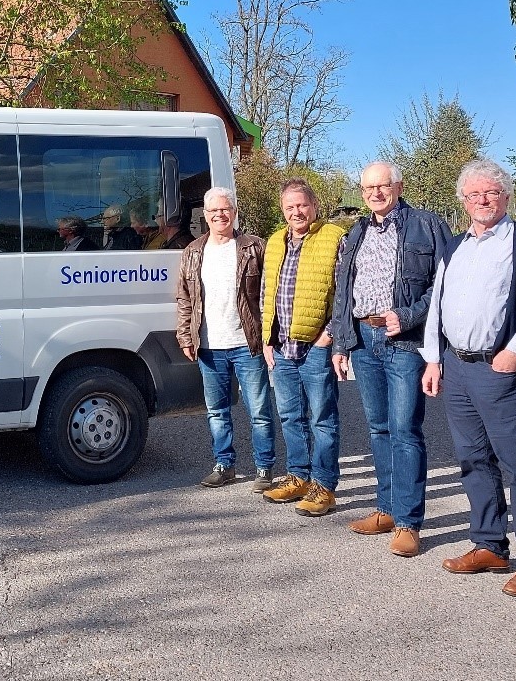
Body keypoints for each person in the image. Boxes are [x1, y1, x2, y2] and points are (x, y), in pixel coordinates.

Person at [421, 160, 516, 598]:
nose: (482, 200)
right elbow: (437, 306)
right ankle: (489, 545)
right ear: (463, 201)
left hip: (500, 369)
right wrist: (433, 359)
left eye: (491, 192)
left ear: (506, 197)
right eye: (474, 194)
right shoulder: (454, 247)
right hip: (458, 368)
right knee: (473, 460)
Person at [329, 162, 451, 558]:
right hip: (364, 340)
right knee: (379, 428)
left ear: (398, 186)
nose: (375, 194)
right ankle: (386, 509)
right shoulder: (357, 231)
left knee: (404, 431)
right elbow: (343, 290)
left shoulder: (426, 225)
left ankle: (408, 523)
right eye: (368, 188)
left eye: (382, 186)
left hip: (405, 341)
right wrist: (341, 343)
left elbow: (445, 285)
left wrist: (409, 316)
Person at [174, 188, 275, 491]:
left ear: (234, 212)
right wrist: (185, 335)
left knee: (259, 411)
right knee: (217, 412)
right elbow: (184, 297)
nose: (220, 214)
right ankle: (224, 464)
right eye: (214, 211)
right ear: (205, 215)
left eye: (225, 209)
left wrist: (269, 336)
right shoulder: (193, 251)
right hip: (209, 346)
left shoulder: (254, 247)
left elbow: (269, 292)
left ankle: (264, 467)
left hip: (247, 343)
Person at [259, 178, 346, 516]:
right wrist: (268, 338)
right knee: (290, 416)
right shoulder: (275, 242)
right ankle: (298, 477)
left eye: (302, 205)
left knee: (322, 419)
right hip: (282, 346)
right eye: (290, 207)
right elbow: (267, 293)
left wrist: (328, 337)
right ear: (283, 210)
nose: (297, 212)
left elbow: (344, 293)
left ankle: (324, 486)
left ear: (314, 206)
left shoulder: (334, 238)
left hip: (316, 346)